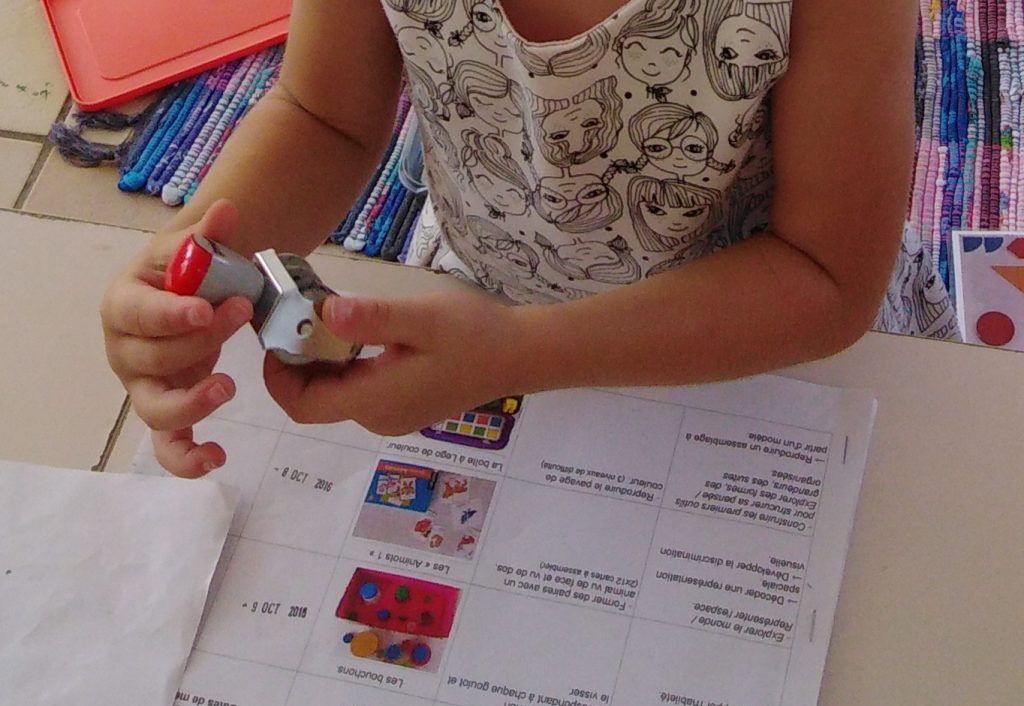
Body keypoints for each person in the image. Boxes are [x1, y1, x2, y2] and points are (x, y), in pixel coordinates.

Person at [101, 0, 957, 479]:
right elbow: (324, 118)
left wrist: (518, 354)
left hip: (765, 343)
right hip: (491, 285)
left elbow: (824, 276)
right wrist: (194, 264)